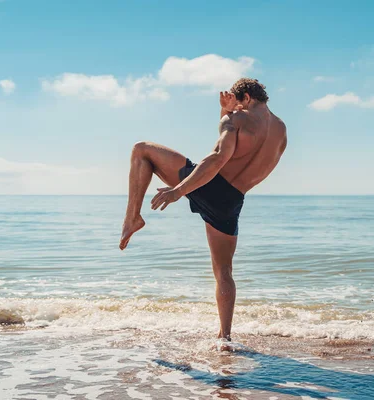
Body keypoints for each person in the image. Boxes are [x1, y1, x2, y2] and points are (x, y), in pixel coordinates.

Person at [119, 78, 287, 348]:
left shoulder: (238, 119)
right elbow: (246, 159)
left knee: (142, 150)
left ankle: (132, 218)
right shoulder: (281, 130)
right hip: (233, 201)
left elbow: (218, 158)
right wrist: (226, 114)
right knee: (224, 272)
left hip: (211, 184)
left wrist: (180, 190)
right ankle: (225, 338)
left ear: (244, 97)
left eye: (235, 100)